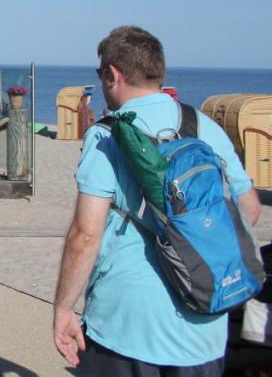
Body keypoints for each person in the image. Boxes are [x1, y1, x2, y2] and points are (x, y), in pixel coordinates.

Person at [53, 26, 261, 373]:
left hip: (127, 326)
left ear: (112, 75)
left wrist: (63, 308)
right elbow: (249, 209)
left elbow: (85, 236)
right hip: (204, 325)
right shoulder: (203, 126)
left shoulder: (107, 136)